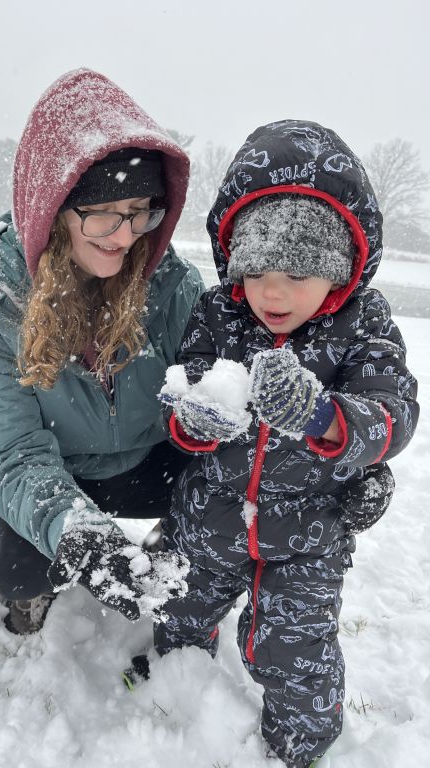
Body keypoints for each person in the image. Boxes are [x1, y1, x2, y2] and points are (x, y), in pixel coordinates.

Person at [129, 120, 419, 767]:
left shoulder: (363, 324)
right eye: (255, 270)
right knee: (182, 606)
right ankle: (167, 694)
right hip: (212, 513)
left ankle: (301, 746)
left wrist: (324, 418)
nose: (272, 292)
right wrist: (195, 419)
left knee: (293, 649)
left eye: (295, 272)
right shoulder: (220, 311)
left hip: (310, 530)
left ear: (338, 263)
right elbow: (187, 382)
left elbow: (393, 412)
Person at [0, 68, 204, 635]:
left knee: (225, 495)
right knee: (13, 567)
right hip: (54, 467)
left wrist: (334, 461)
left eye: (141, 210)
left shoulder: (175, 287)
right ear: (53, 208)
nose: (125, 234)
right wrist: (75, 530)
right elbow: (11, 448)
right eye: (103, 212)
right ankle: (40, 582)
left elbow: (228, 396)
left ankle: (177, 548)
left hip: (148, 460)